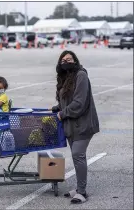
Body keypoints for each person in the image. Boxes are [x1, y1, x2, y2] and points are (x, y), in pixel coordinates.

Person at [51, 50, 99, 204]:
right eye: (63, 60)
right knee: (76, 156)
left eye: (70, 59)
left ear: (75, 61)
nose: (67, 62)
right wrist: (56, 109)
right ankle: (79, 189)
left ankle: (82, 192)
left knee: (78, 155)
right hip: (71, 125)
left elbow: (79, 103)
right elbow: (66, 101)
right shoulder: (65, 78)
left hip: (83, 124)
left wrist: (62, 114)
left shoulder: (81, 75)